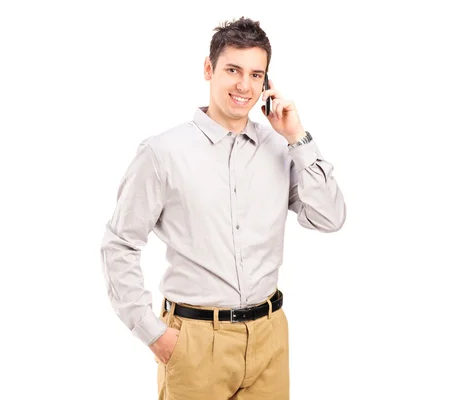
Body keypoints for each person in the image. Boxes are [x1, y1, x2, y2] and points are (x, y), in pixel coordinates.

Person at [100, 16, 346, 399]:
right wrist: (153, 333)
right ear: (208, 69)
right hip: (195, 344)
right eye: (233, 70)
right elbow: (119, 244)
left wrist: (298, 137)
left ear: (266, 83)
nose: (244, 85)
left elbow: (330, 218)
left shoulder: (281, 148)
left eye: (256, 74)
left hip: (269, 339)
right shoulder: (162, 153)